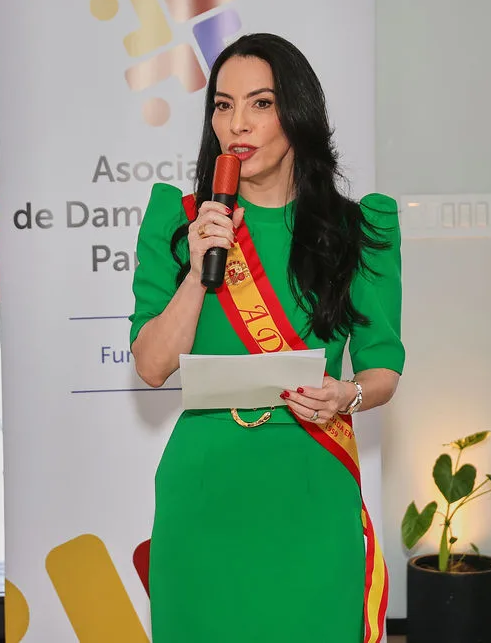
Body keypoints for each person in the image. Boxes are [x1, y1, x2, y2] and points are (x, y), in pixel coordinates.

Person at [128, 32, 405, 643]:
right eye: (223, 106)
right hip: (205, 487)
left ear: (297, 114)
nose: (238, 124)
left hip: (312, 480)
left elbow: (383, 368)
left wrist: (348, 395)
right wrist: (198, 269)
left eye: (261, 103)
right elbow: (151, 365)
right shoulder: (179, 220)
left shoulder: (360, 229)